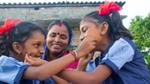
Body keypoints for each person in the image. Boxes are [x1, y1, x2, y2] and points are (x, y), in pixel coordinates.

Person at [57, 2, 150, 84]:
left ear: (103, 28)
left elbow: (93, 79)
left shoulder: (123, 45)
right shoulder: (98, 60)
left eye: (84, 30)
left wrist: (51, 70)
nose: (81, 37)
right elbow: (81, 80)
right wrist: (82, 64)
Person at [0, 18, 95, 84]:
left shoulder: (35, 67)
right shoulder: (4, 63)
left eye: (42, 45)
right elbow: (40, 73)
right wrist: (76, 53)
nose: (42, 50)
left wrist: (81, 66)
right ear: (17, 47)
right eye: (37, 45)